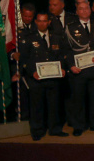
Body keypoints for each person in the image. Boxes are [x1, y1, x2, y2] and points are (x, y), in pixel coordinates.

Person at [19, 12, 68, 140]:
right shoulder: (29, 38)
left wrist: (62, 67)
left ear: (49, 22)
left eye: (45, 21)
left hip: (53, 77)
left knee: (54, 105)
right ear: (36, 22)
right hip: (37, 78)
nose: (42, 23)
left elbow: (61, 55)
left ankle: (54, 129)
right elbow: (24, 59)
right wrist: (32, 72)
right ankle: (37, 130)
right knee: (37, 106)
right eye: (40, 21)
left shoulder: (56, 37)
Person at [64, 0, 94, 136]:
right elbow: (66, 50)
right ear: (77, 12)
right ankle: (79, 125)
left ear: (91, 10)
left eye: (86, 8)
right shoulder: (70, 28)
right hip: (78, 70)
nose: (84, 11)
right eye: (81, 9)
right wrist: (71, 65)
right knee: (78, 99)